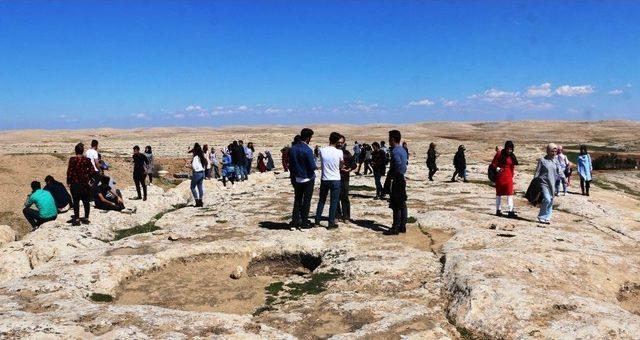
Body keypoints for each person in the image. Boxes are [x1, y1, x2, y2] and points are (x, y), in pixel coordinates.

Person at [314, 132, 344, 229]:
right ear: (337, 141)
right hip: (335, 179)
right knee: (334, 202)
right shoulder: (339, 152)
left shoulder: (322, 150)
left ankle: (317, 221)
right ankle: (331, 223)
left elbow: (319, 160)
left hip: (325, 178)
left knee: (321, 200)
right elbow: (341, 164)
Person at [289, 128, 317, 229]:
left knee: (297, 200)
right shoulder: (307, 150)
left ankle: (295, 220)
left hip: (296, 178)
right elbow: (313, 166)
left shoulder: (293, 148)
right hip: (307, 178)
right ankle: (304, 222)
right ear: (309, 138)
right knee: (306, 200)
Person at [383, 130, 408, 235]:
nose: (388, 140)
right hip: (401, 177)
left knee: (396, 204)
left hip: (396, 179)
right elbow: (404, 164)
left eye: (389, 138)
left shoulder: (395, 151)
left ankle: (395, 227)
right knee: (402, 203)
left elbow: (398, 163)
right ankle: (402, 226)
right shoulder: (403, 149)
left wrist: (392, 176)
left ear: (393, 139)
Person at [67, 143, 94, 226]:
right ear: (82, 151)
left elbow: (69, 172)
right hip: (85, 184)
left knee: (76, 202)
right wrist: (89, 179)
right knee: (86, 201)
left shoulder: (72, 160)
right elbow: (92, 171)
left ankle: (77, 219)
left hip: (75, 183)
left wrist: (68, 181)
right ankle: (86, 218)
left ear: (75, 151)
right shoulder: (87, 160)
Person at [491, 141, 519, 218]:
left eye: (511, 149)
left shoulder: (512, 156)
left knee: (510, 194)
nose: (509, 151)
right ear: (505, 147)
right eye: (508, 149)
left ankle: (510, 211)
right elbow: (493, 164)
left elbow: (512, 167)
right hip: (500, 177)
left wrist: (513, 177)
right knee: (499, 194)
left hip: (509, 177)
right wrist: (497, 168)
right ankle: (498, 210)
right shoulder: (499, 154)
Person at [534, 143, 560, 224]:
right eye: (552, 151)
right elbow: (537, 173)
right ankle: (541, 216)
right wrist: (535, 183)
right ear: (548, 151)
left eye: (555, 151)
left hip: (552, 183)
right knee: (547, 199)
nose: (554, 153)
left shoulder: (556, 161)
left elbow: (559, 171)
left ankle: (547, 217)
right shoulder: (542, 160)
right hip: (543, 183)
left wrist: (564, 179)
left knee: (551, 200)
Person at [337, 135, 357, 222]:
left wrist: (349, 169)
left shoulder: (346, 153)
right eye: (339, 142)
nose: (340, 144)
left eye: (342, 142)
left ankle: (346, 216)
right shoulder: (333, 152)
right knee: (336, 198)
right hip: (335, 178)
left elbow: (354, 164)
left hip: (345, 178)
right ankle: (337, 215)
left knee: (345, 197)